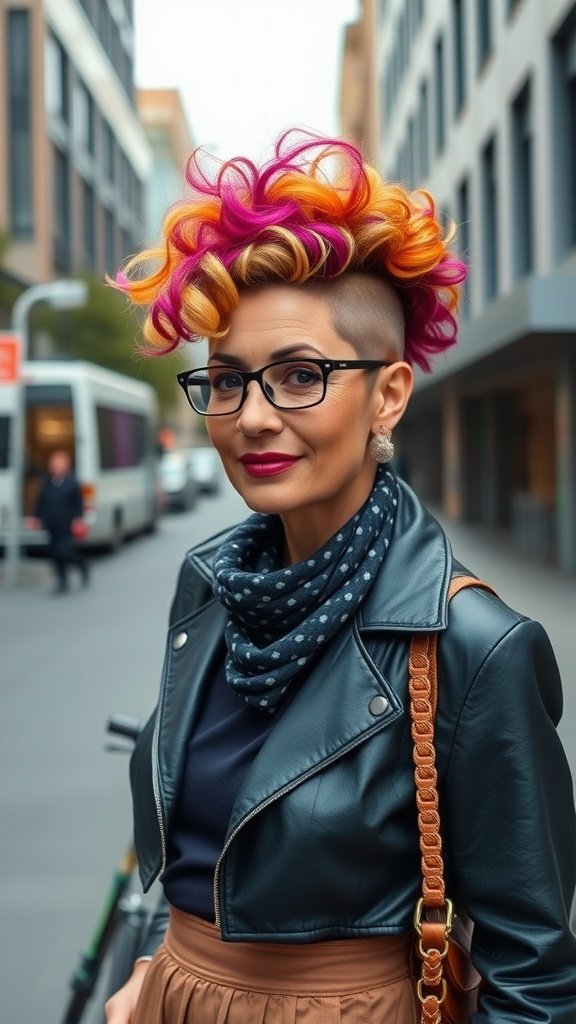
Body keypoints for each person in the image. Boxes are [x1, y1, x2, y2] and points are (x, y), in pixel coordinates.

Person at [106, 131, 576, 1024]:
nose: (251, 418)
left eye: (298, 377)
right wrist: (150, 964)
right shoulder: (210, 590)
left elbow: (535, 980)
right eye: (228, 380)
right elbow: (188, 834)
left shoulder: (474, 646)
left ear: (390, 395)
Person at [34, 449, 89, 594]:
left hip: (67, 524)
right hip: (51, 524)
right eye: (54, 464)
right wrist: (37, 517)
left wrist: (78, 519)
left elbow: (79, 503)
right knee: (55, 554)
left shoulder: (72, 482)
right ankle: (62, 580)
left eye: (60, 464)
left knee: (64, 551)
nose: (56, 466)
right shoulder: (47, 483)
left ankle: (81, 564)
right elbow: (41, 502)